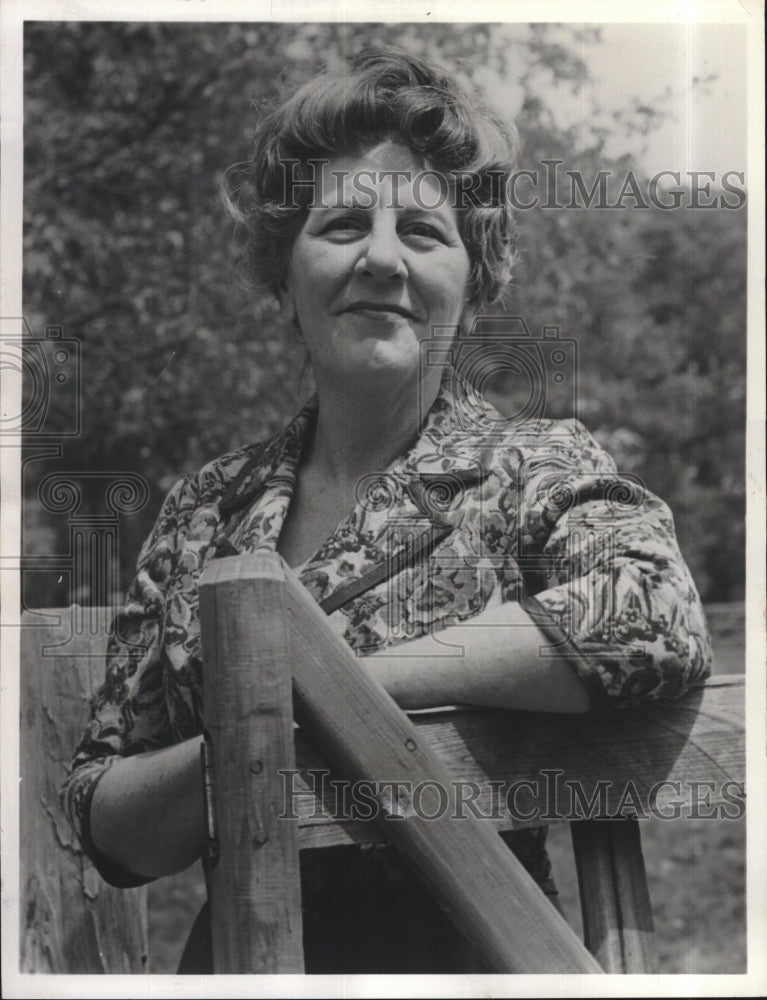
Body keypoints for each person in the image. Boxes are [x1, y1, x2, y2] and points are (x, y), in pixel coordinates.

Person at [60, 46, 713, 974]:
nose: (379, 257)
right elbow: (105, 818)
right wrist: (250, 740)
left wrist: (337, 684)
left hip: (475, 958)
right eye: (337, 226)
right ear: (283, 276)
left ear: (472, 283)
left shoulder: (529, 466)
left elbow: (654, 615)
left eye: (422, 230)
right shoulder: (208, 510)